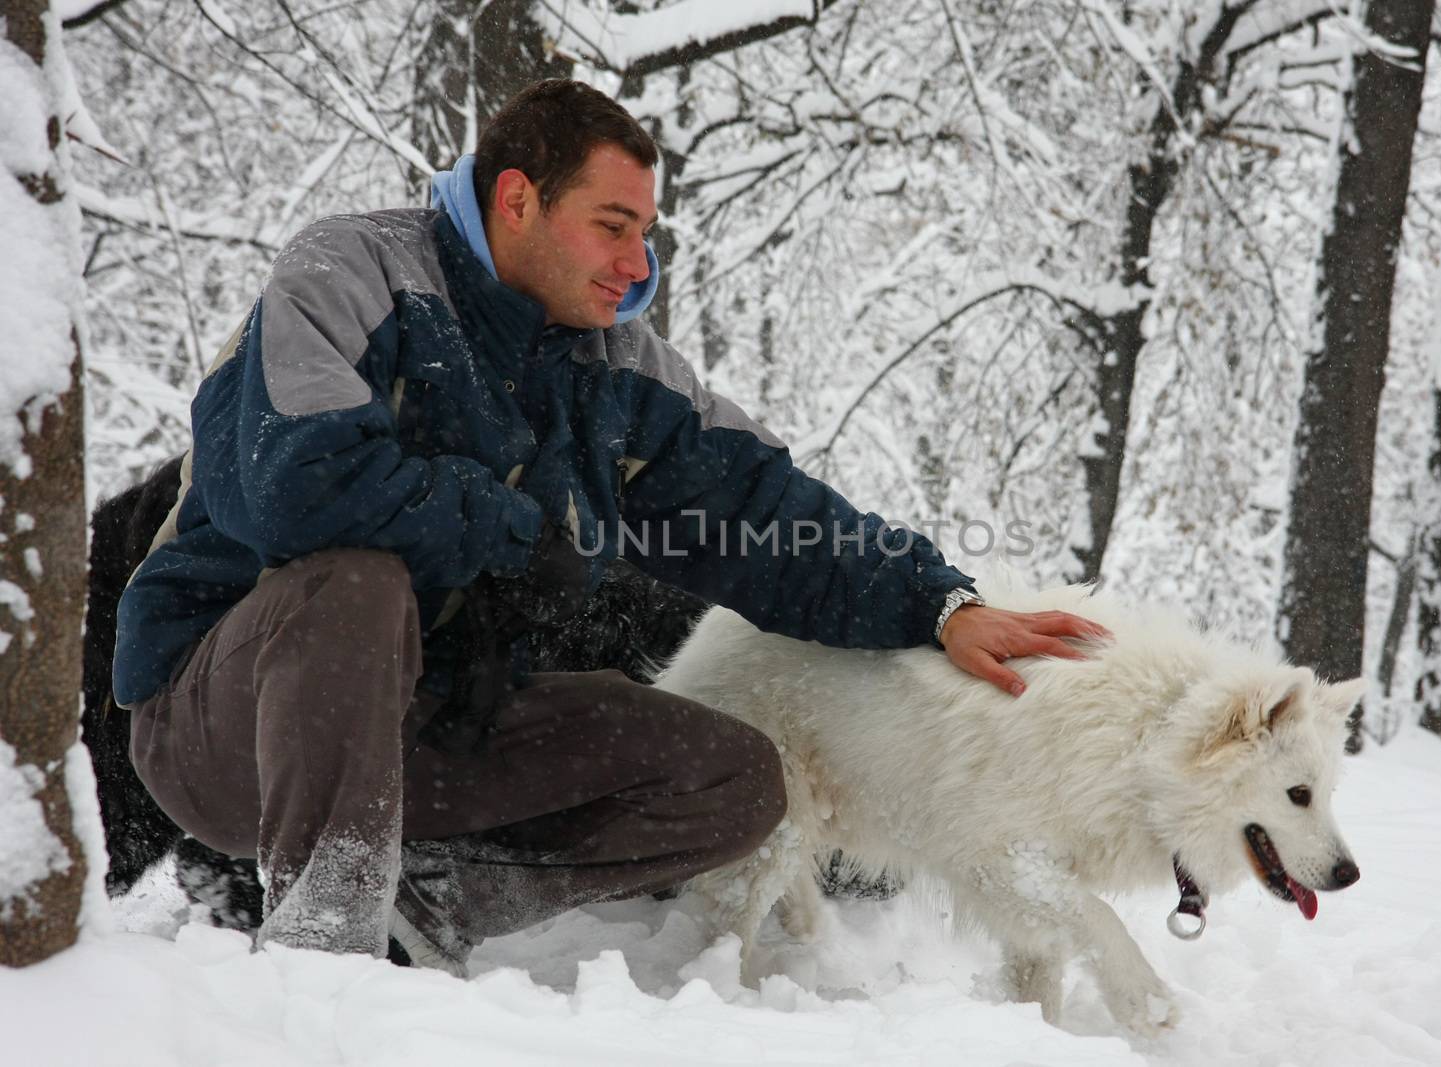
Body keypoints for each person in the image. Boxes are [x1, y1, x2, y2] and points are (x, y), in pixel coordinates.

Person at [112, 80, 1107, 973]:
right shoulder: (349, 272)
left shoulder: (616, 365)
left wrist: (938, 605)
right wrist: (510, 525)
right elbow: (294, 485)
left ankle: (433, 902)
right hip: (225, 720)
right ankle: (325, 951)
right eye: (612, 225)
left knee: (733, 778)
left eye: (647, 233)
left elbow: (766, 510)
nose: (638, 263)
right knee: (353, 582)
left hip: (428, 730)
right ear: (517, 200)